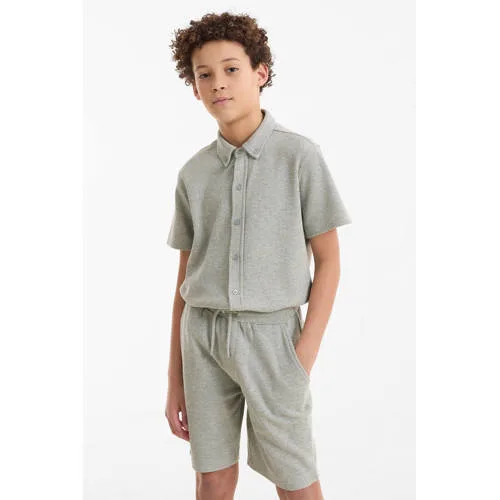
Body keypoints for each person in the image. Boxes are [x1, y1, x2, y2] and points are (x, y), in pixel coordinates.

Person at [164, 11, 352, 500]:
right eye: (204, 74)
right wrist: (174, 379)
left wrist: (302, 357)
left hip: (274, 341)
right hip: (202, 338)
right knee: (212, 479)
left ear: (260, 73)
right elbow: (184, 277)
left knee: (295, 481)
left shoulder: (299, 157)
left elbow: (329, 260)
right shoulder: (193, 174)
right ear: (194, 88)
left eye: (231, 69)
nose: (218, 84)